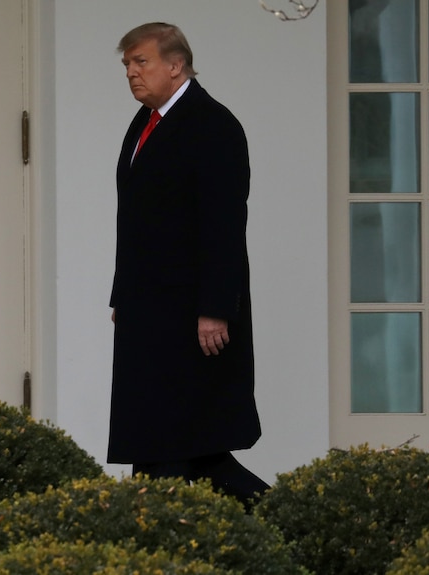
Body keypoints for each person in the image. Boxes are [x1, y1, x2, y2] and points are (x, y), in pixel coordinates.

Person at [107, 22, 269, 508]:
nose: (132, 74)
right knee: (165, 444)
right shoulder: (144, 122)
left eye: (142, 62)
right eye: (127, 66)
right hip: (148, 313)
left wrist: (216, 308)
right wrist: (123, 295)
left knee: (185, 446)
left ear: (175, 65)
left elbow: (223, 224)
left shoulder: (213, 125)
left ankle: (286, 523)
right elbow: (135, 220)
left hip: (192, 316)